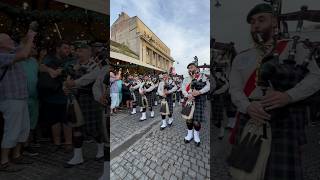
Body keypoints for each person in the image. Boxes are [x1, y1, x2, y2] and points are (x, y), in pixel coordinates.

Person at [229, 4, 320, 180]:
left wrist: (289, 96)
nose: (256, 25)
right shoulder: (241, 57)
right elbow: (235, 89)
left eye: (261, 19)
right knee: (244, 174)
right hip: (251, 117)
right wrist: (247, 107)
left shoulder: (294, 48)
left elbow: (316, 76)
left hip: (285, 119)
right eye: (252, 22)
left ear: (274, 22)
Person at [63, 43, 104, 167]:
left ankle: (101, 149)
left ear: (88, 52)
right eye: (77, 51)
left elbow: (91, 78)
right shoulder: (74, 66)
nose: (78, 53)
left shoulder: (94, 65)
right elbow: (67, 80)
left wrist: (74, 83)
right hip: (75, 99)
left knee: (92, 128)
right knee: (76, 127)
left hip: (90, 100)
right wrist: (64, 88)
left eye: (81, 51)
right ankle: (78, 156)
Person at [0, 29, 36, 172]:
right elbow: (25, 53)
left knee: (23, 129)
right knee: (12, 130)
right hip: (10, 99)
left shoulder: (11, 52)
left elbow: (24, 49)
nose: (12, 42)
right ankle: (4, 161)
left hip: (20, 98)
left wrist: (28, 37)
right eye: (8, 40)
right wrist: (31, 37)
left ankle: (17, 155)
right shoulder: (1, 56)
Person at [39, 41, 73, 152]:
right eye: (65, 48)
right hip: (51, 95)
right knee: (54, 121)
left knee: (66, 120)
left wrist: (63, 72)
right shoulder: (49, 59)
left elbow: (73, 72)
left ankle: (68, 143)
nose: (67, 50)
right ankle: (57, 143)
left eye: (68, 48)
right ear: (58, 49)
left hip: (65, 96)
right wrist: (51, 71)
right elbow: (40, 67)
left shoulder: (70, 60)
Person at [182, 63, 210, 146]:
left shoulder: (203, 76)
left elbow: (209, 86)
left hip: (199, 101)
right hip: (189, 101)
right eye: (189, 68)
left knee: (197, 121)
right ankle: (189, 134)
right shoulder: (186, 79)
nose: (190, 69)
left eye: (191, 67)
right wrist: (188, 95)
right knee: (189, 119)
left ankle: (196, 135)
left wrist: (199, 92)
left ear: (196, 68)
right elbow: (183, 89)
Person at [212, 71, 229, 140]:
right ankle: (218, 126)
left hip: (221, 99)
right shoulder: (213, 77)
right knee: (216, 116)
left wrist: (217, 92)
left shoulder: (224, 79)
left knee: (222, 116)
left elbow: (227, 86)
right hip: (214, 100)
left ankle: (221, 131)